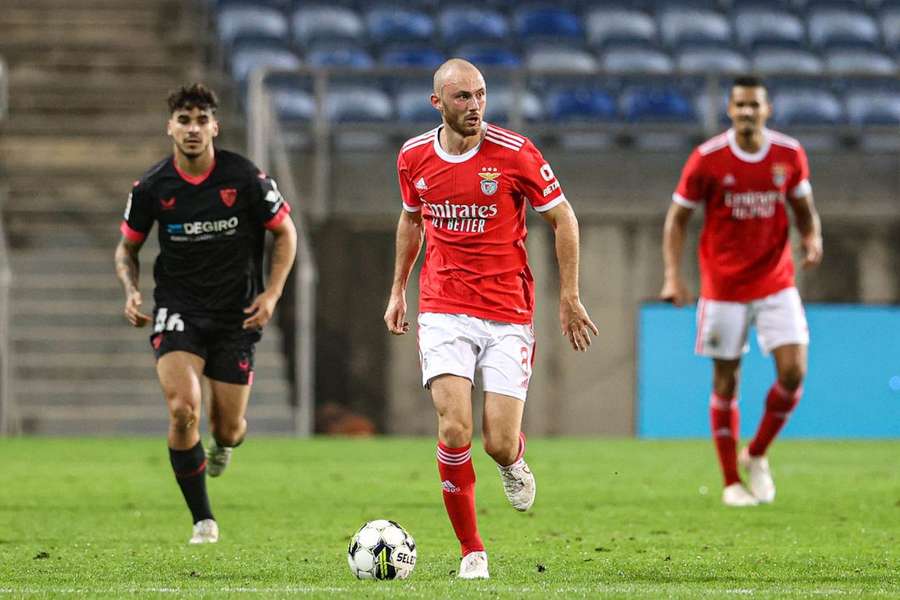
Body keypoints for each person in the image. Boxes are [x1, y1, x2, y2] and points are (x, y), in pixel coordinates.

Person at [384, 59, 598, 578]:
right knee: (454, 428)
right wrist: (398, 290)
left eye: (480, 95)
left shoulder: (515, 152)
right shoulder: (413, 156)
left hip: (507, 311)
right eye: (462, 97)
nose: (475, 106)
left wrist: (569, 295)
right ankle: (472, 550)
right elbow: (412, 219)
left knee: (497, 440)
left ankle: (512, 459)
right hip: (444, 307)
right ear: (438, 102)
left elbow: (562, 216)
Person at [114, 83, 297, 543]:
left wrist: (272, 294)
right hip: (179, 310)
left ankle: (224, 445)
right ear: (170, 127)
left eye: (200, 120)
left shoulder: (246, 178)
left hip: (237, 315)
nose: (192, 129)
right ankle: (203, 519)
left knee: (230, 429)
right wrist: (132, 290)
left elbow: (286, 235)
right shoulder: (153, 187)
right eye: (183, 120)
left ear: (214, 126)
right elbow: (127, 249)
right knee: (182, 411)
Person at [661, 75, 823, 507]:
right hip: (723, 287)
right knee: (726, 379)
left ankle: (756, 453)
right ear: (729, 111)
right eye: (740, 106)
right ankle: (731, 482)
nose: (748, 112)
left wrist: (812, 238)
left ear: (767, 110)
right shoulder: (707, 159)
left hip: (776, 281)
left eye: (755, 105)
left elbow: (803, 207)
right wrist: (673, 276)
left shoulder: (789, 154)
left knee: (793, 372)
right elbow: (677, 219)